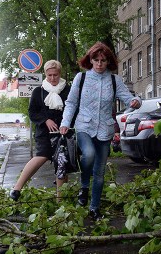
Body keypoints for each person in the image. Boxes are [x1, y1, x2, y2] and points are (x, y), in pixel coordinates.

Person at [59, 41, 141, 220]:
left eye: (103, 60)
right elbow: (71, 103)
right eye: (95, 59)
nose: (99, 63)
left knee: (100, 172)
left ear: (108, 62)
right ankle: (84, 186)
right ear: (90, 60)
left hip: (105, 128)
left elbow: (129, 98)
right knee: (88, 154)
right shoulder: (81, 78)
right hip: (84, 126)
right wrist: (65, 122)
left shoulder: (114, 80)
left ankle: (94, 207)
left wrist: (136, 102)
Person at [10, 60, 70, 201]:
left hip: (64, 132)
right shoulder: (38, 91)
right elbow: (32, 112)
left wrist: (66, 124)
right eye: (49, 75)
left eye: (55, 75)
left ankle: (60, 200)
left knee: (62, 162)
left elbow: (73, 108)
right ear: (45, 74)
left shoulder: (68, 89)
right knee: (41, 155)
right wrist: (45, 120)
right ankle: (16, 188)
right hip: (44, 132)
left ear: (60, 74)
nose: (53, 78)